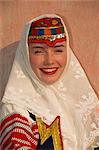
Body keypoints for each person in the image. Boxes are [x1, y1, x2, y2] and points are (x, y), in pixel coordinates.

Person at [0, 14, 99, 150]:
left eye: (58, 50)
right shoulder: (17, 110)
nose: (50, 60)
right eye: (39, 51)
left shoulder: (82, 103)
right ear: (25, 55)